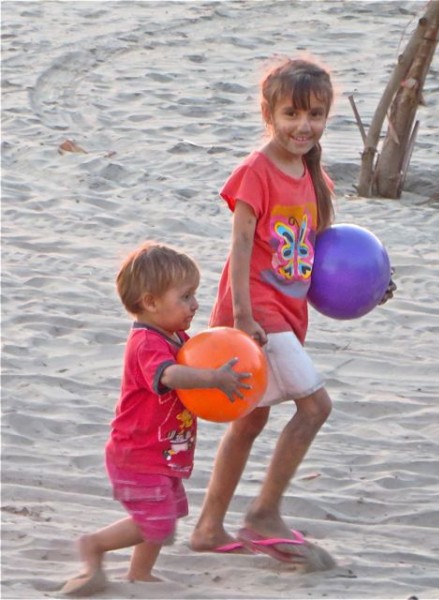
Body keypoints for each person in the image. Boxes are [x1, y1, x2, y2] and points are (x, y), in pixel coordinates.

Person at [190, 56, 395, 568]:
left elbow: (325, 254)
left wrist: (371, 287)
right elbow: (239, 246)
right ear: (269, 113)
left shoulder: (310, 173)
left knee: (252, 421)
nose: (303, 126)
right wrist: (241, 316)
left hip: (287, 312)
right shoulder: (255, 172)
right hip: (256, 313)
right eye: (291, 114)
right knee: (315, 407)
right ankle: (263, 512)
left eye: (316, 115)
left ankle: (209, 527)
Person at [61, 242, 251, 596]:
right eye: (185, 297)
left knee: (169, 512)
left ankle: (140, 573)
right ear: (150, 302)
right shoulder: (146, 343)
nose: (195, 304)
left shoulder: (176, 335)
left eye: (195, 294)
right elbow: (171, 377)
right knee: (157, 522)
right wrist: (213, 380)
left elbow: (204, 353)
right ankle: (95, 545)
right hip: (137, 453)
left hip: (162, 451)